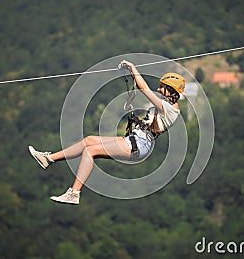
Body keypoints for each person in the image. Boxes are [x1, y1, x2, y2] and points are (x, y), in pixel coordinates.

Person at [28, 60, 185, 204]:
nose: (159, 88)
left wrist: (133, 67)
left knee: (90, 151)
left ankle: (74, 193)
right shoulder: (166, 104)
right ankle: (48, 159)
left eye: (162, 86)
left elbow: (144, 88)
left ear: (170, 90)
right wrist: (132, 74)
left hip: (139, 145)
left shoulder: (170, 110)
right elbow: (142, 86)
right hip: (135, 140)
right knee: (89, 140)